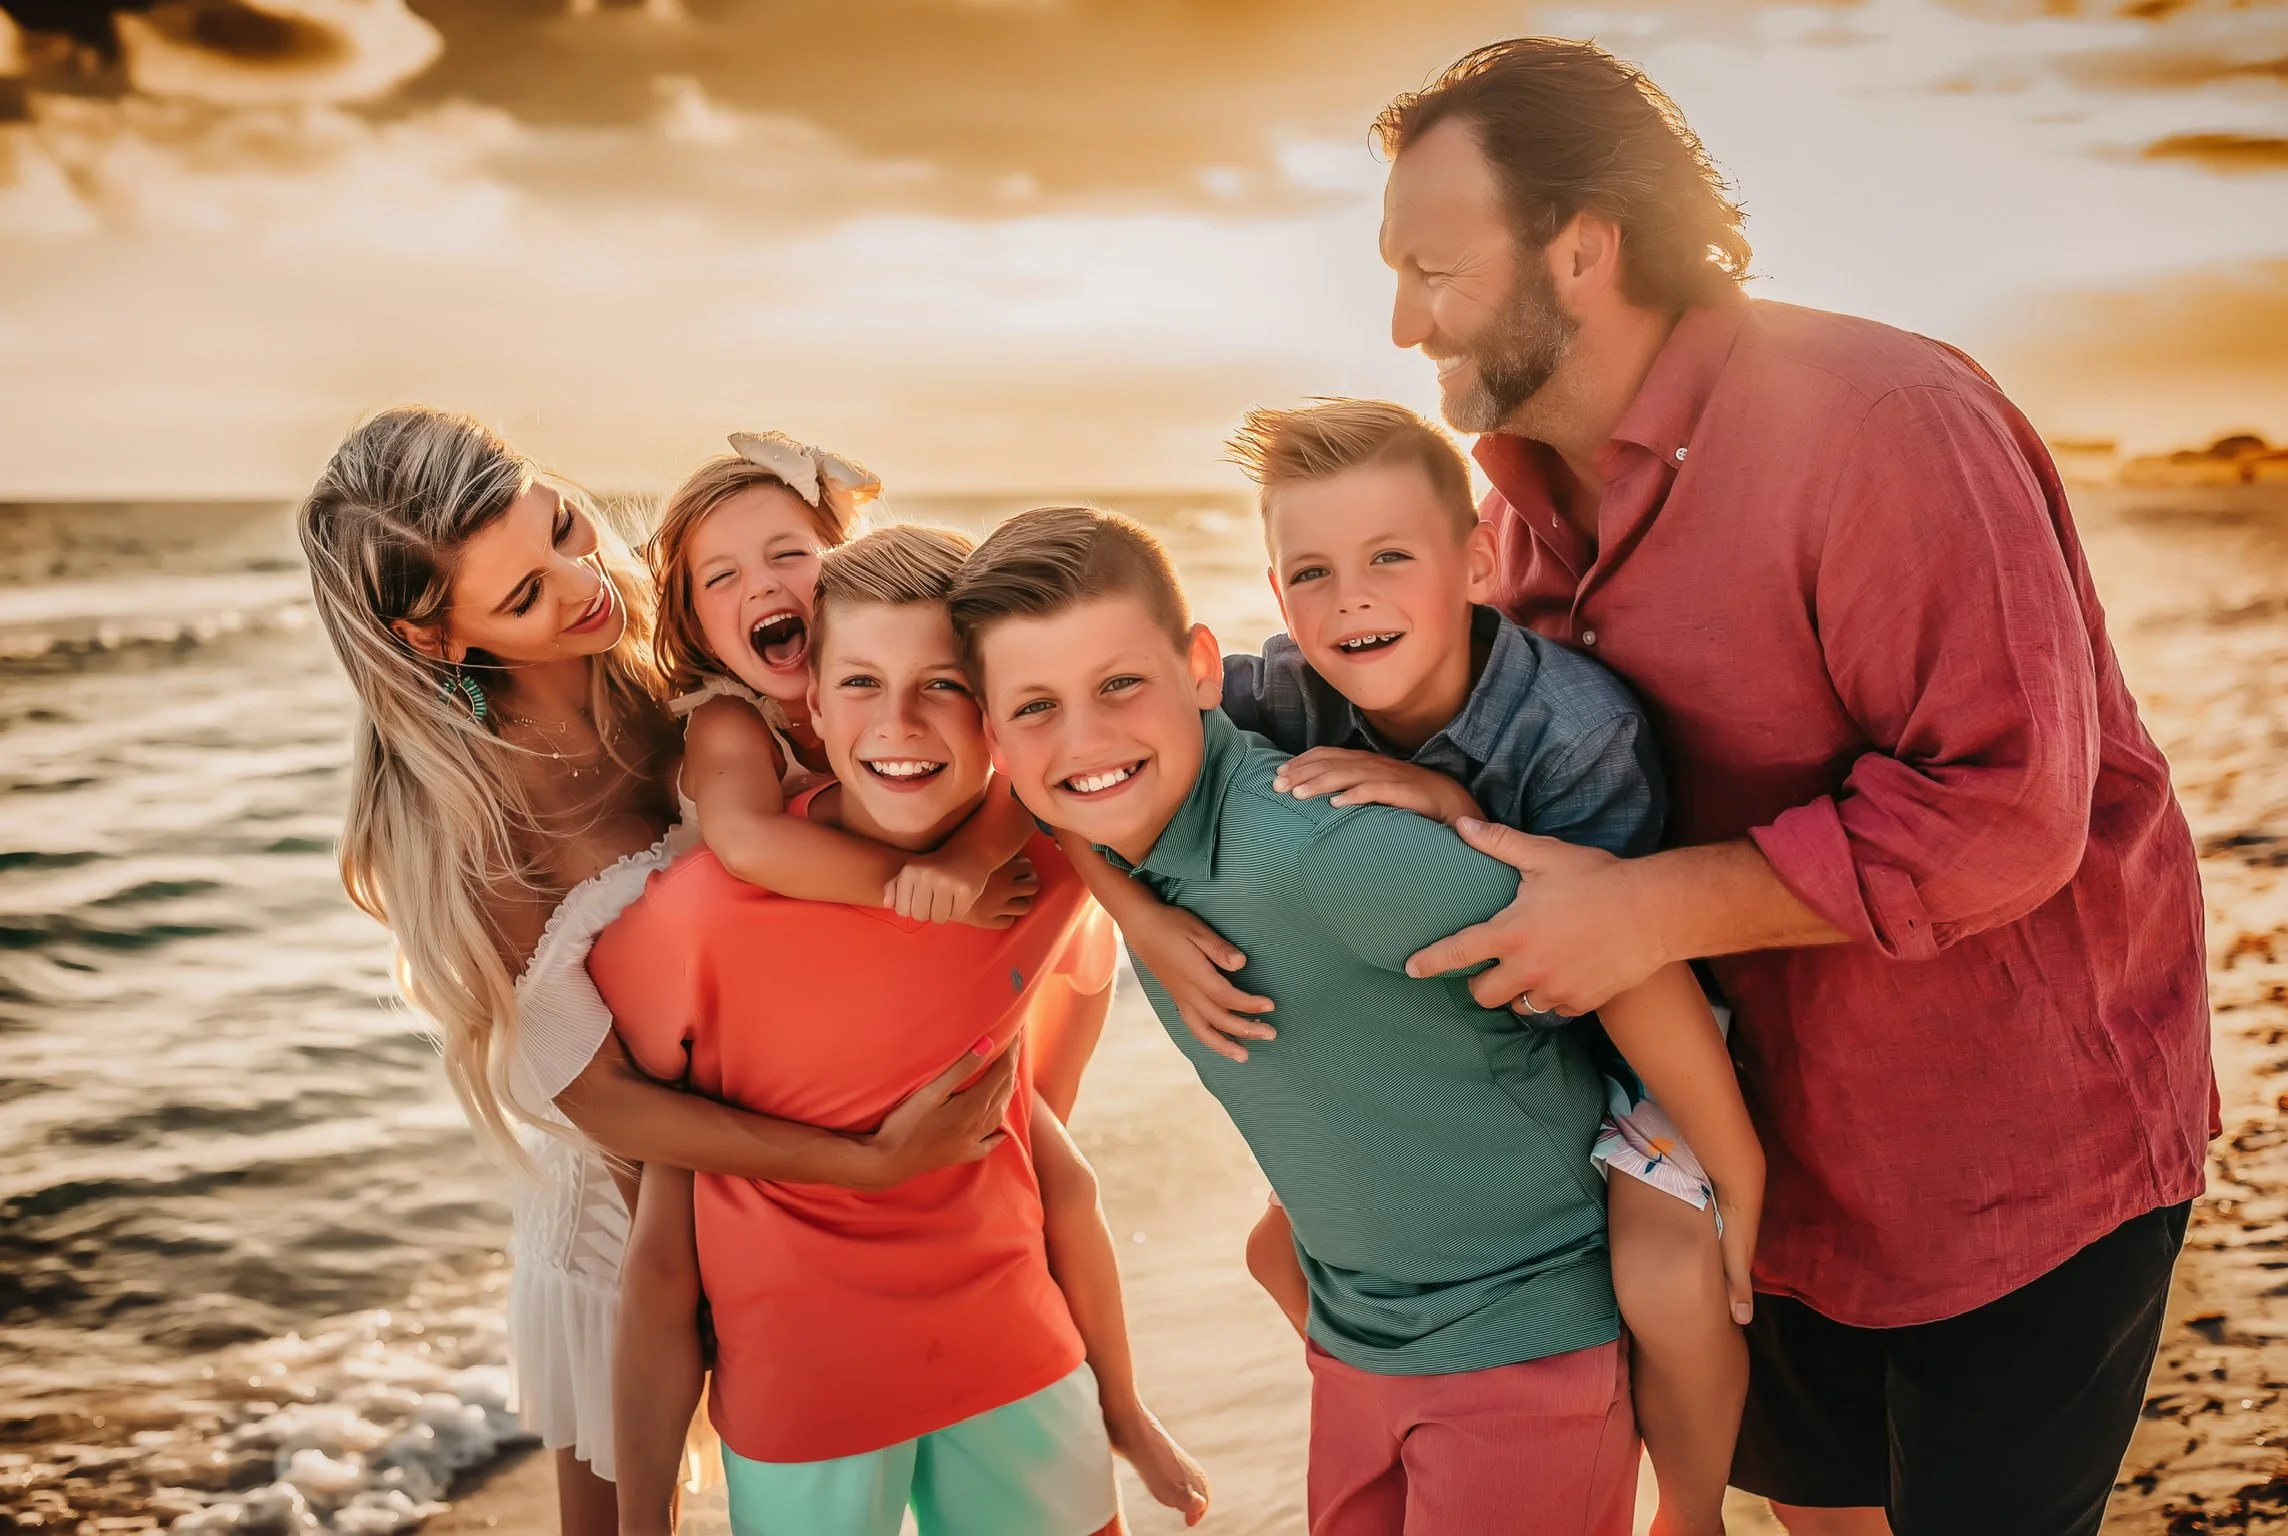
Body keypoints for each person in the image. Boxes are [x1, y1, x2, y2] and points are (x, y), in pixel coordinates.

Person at [1371, 38, 2213, 1536]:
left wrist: (1643, 915)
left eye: (1433, 270)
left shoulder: (1881, 422)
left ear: (1581, 248)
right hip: (1762, 1172)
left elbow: (2012, 810)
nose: (1398, 322)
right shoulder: (1515, 514)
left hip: (2013, 1166)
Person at [298, 409, 1033, 1536]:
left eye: (564, 526)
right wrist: (861, 1161)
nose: (585, 582)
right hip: (631, 1196)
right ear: (436, 638)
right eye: (526, 597)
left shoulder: (677, 667)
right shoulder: (464, 825)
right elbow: (598, 1103)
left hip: (803, 1148)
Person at [1077, 397, 1759, 1535]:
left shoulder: (1573, 730)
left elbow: (1613, 950)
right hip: (1464, 1038)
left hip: (1626, 1025)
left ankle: (1687, 1508)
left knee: (1661, 1274)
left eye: (1388, 558)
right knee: (1270, 1248)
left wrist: (1451, 810)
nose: (1348, 599)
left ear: (1476, 560)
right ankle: (1420, 1406)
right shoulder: (1281, 689)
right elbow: (1079, 770)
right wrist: (1136, 920)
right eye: (1308, 572)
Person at [952, 504, 1641, 1536]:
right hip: (1353, 1335)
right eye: (1035, 708)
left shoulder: (1328, 856)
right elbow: (1059, 806)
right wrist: (1134, 909)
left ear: (1197, 666)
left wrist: (1730, 1167)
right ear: (991, 735)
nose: (1085, 739)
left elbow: (1622, 946)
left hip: (1517, 1345)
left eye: (1118, 685)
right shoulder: (1126, 832)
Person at [592, 524, 1208, 1536]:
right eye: (863, 684)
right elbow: (660, 1257)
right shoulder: (698, 921)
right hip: (806, 1399)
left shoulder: (1050, 867)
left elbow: (1055, 1150)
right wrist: (638, 1519)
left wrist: (1121, 1407)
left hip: (1021, 1357)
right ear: (815, 707)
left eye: (943, 686)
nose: (901, 723)